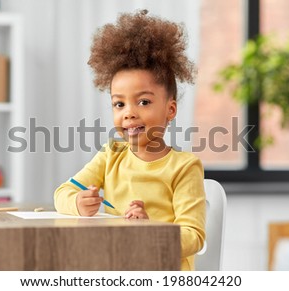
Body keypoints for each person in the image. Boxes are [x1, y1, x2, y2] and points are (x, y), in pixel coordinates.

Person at [54, 10, 205, 271]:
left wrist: (149, 234)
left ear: (170, 110)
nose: (129, 113)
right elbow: (61, 194)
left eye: (143, 102)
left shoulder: (184, 167)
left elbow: (194, 236)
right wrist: (79, 203)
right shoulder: (111, 154)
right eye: (119, 104)